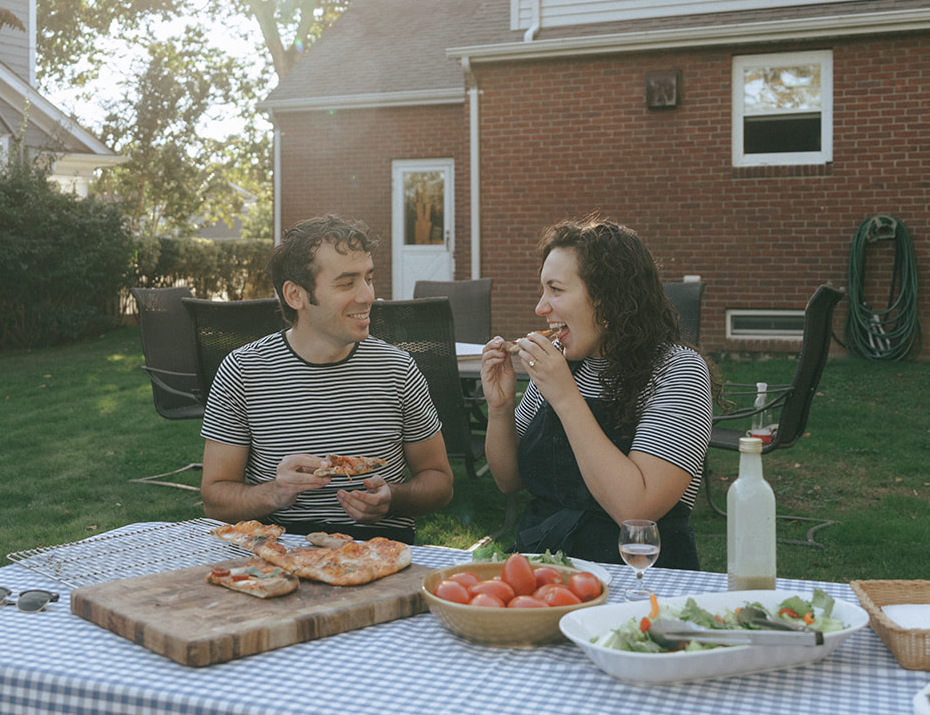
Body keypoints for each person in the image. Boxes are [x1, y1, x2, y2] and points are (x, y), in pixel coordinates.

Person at [200, 214, 455, 542]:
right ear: (295, 295)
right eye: (347, 283)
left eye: (368, 278)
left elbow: (440, 483)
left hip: (379, 551)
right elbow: (214, 497)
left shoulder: (398, 369)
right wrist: (275, 493)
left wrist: (393, 498)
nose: (367, 296)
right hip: (279, 552)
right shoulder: (243, 371)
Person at [480, 217, 711, 568]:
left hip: (637, 577)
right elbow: (509, 479)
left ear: (609, 296)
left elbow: (636, 510)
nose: (541, 308)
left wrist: (565, 397)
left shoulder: (678, 370)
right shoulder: (560, 364)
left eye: (555, 290)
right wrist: (500, 407)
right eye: (543, 290)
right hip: (541, 572)